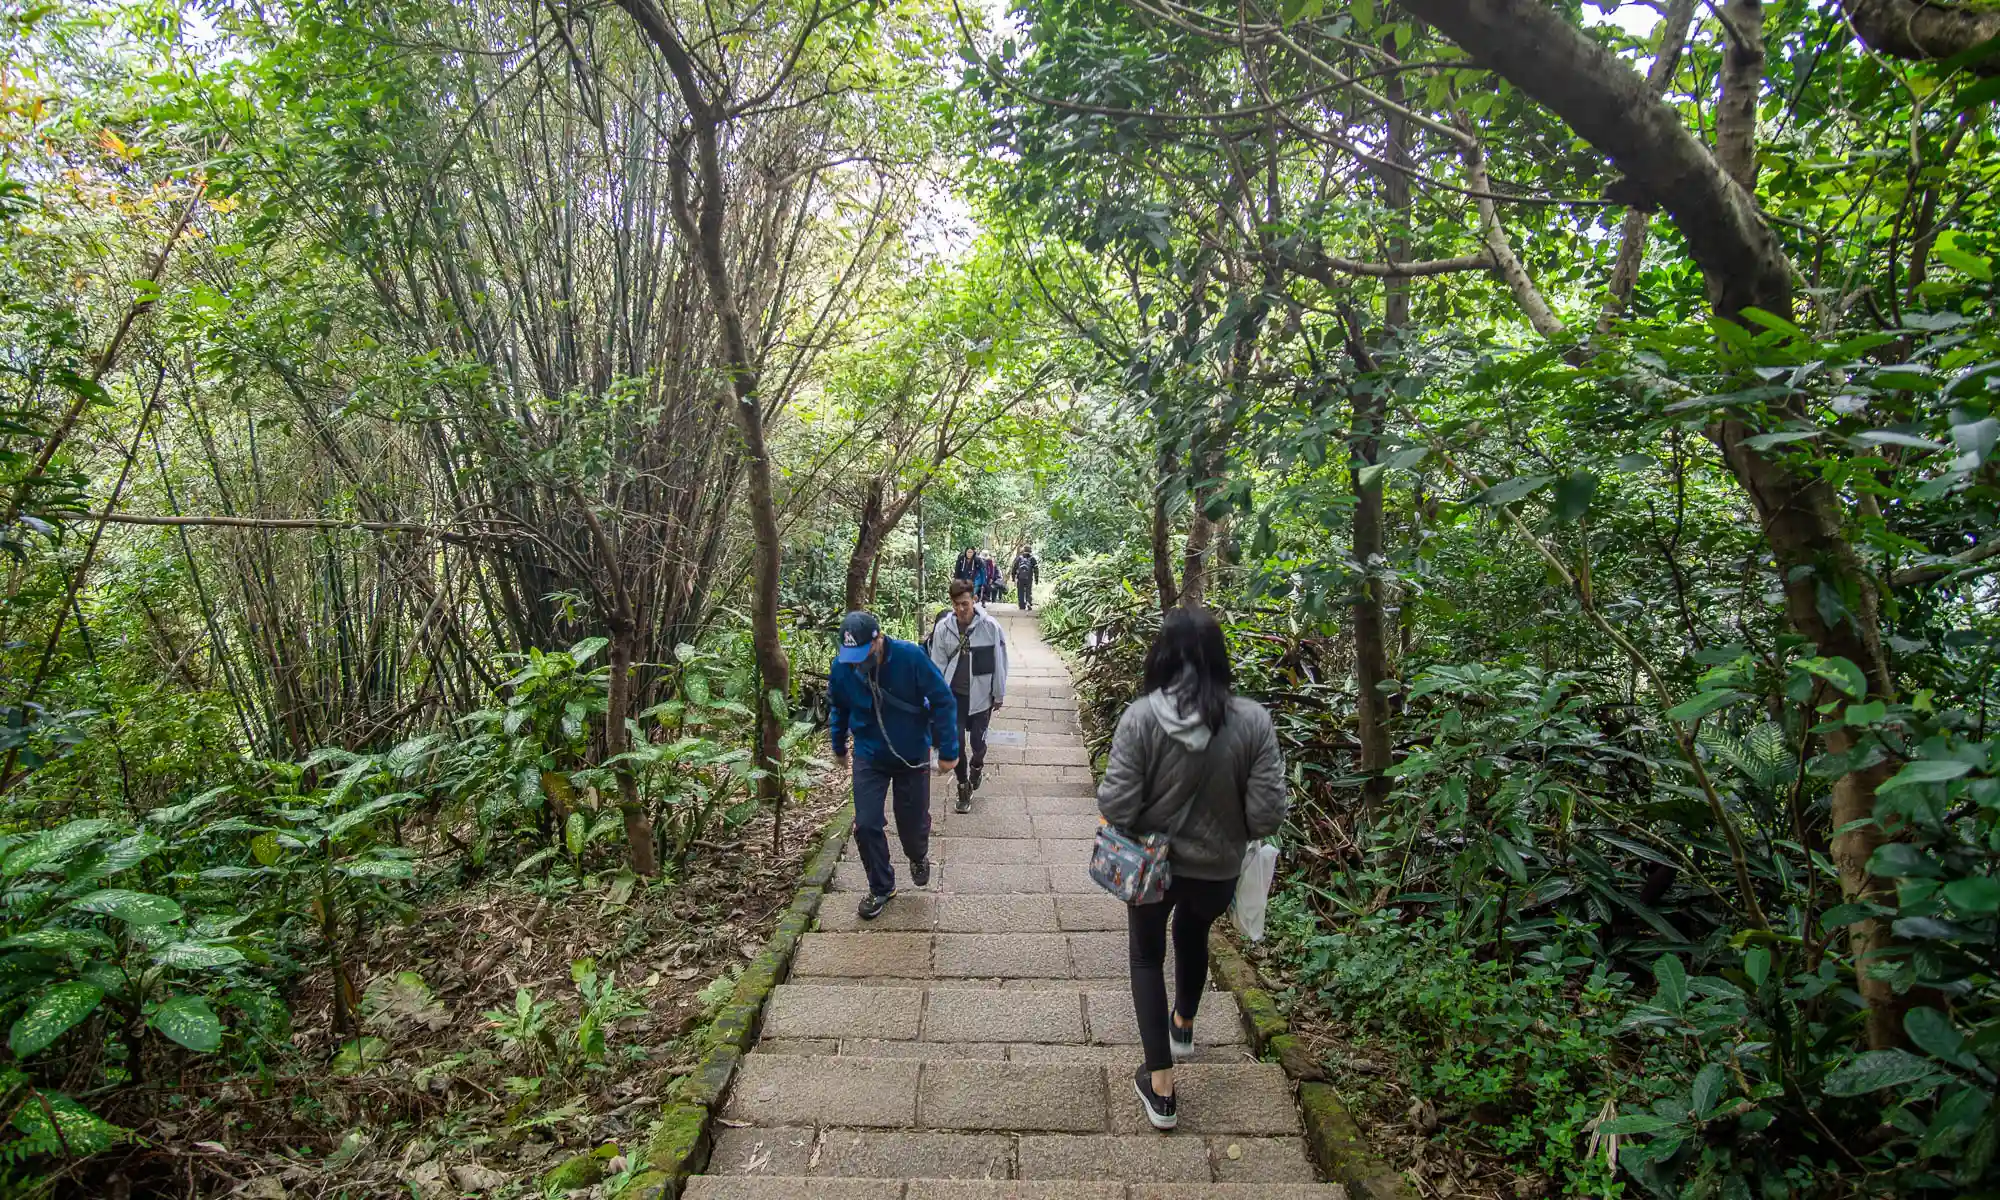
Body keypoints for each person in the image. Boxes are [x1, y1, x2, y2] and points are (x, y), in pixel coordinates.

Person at [1096, 606, 1286, 1131]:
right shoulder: (1253, 721)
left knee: (1145, 958)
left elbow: (1118, 805)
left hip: (1151, 869)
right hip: (1218, 870)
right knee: (1195, 930)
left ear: (1162, 658)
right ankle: (1183, 1023)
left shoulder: (1141, 718)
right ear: (1220, 662)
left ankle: (1161, 1089)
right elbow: (1268, 814)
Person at [828, 610, 960, 920]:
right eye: (851, 656)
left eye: (863, 653)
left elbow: (943, 699)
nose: (857, 661)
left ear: (879, 639)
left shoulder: (910, 657)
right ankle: (881, 886)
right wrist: (838, 745)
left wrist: (948, 750)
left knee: (911, 825)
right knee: (867, 823)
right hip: (869, 755)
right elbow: (839, 707)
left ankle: (918, 856)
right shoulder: (842, 667)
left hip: (911, 753)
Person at [926, 580, 1008, 813]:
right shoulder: (943, 628)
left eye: (965, 603)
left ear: (973, 600)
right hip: (954, 697)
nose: (961, 609)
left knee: (978, 743)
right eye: (956, 604)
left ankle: (977, 766)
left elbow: (1000, 661)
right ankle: (963, 786)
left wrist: (998, 693)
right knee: (957, 743)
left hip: (982, 695)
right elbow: (937, 664)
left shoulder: (990, 627)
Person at [1011, 546, 1040, 611]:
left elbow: (1014, 568)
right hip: (1029, 578)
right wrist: (1036, 579)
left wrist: (1013, 578)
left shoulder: (1019, 558)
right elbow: (1036, 569)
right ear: (1030, 551)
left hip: (1020, 578)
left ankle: (1021, 605)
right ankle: (1028, 602)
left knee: (1020, 592)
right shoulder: (1032, 559)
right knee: (1028, 591)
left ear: (1023, 550)